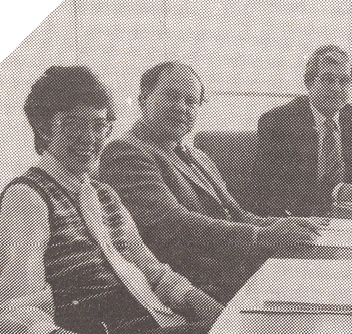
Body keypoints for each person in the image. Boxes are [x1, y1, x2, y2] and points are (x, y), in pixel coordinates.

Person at [0, 66, 221, 334]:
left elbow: (151, 270)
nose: (90, 138)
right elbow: (14, 309)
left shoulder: (104, 195)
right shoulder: (26, 198)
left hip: (153, 321)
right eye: (73, 125)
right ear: (45, 128)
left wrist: (200, 302)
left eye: (99, 125)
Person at [96, 62, 326, 304]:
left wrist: (288, 225)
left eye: (190, 101)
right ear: (143, 100)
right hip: (194, 290)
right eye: (172, 96)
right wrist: (263, 236)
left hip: (235, 275)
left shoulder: (198, 155)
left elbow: (236, 215)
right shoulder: (126, 151)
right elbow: (173, 225)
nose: (181, 108)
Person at [251, 45, 352, 217]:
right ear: (309, 83)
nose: (337, 88)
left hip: (347, 222)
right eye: (328, 80)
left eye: (344, 81)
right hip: (296, 223)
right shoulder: (279, 121)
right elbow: (268, 190)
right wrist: (338, 192)